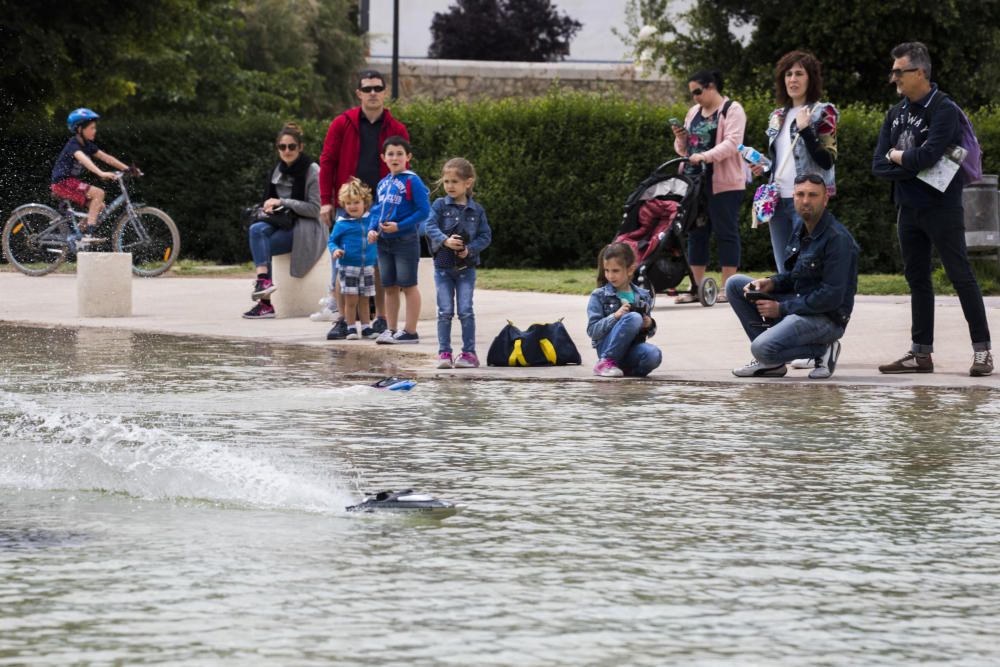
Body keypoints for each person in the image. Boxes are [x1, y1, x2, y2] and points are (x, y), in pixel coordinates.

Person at [872, 42, 993, 376]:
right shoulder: (894, 113)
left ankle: (982, 351)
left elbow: (925, 156)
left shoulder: (944, 109)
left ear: (919, 72)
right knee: (917, 279)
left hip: (942, 207)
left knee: (960, 275)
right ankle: (920, 353)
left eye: (899, 71)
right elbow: (877, 166)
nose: (893, 77)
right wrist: (907, 164)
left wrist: (898, 157)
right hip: (907, 207)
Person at [726, 174, 858, 379]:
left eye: (813, 195)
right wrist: (771, 282)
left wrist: (781, 308)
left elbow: (831, 296)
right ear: (793, 197)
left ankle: (822, 350)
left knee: (760, 348)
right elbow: (795, 275)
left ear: (825, 200)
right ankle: (771, 363)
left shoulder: (838, 239)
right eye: (800, 194)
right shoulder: (802, 228)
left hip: (826, 318)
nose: (806, 201)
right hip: (801, 304)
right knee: (735, 284)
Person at [318, 70, 409, 334]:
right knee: (341, 261)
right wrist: (326, 201)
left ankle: (380, 317)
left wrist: (399, 209)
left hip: (382, 205)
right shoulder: (342, 123)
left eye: (377, 88)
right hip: (349, 202)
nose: (372, 93)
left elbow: (403, 167)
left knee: (378, 261)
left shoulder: (396, 129)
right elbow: (327, 161)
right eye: (367, 89)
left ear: (384, 92)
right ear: (358, 93)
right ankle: (342, 320)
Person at [751, 51, 839, 271]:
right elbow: (783, 160)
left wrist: (806, 130)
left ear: (810, 78)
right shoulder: (777, 115)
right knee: (784, 268)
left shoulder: (823, 112)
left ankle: (806, 305)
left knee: (807, 265)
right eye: (788, 74)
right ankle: (788, 306)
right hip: (777, 200)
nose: (793, 79)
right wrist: (763, 167)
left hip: (807, 199)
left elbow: (828, 159)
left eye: (799, 73)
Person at [671, 69, 748, 303]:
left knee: (726, 233)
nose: (694, 97)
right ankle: (696, 288)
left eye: (698, 91)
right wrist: (681, 137)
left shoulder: (732, 110)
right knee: (696, 233)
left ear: (711, 86)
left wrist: (706, 156)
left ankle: (729, 288)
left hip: (724, 183)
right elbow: (684, 150)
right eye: (692, 93)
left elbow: (733, 143)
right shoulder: (693, 112)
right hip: (694, 182)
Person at [243, 122, 327, 319]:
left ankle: (264, 304)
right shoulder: (277, 170)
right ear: (277, 148)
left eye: (291, 147)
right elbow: (269, 199)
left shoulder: (312, 170)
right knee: (256, 230)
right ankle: (264, 282)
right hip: (282, 222)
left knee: (263, 245)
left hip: (305, 226)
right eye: (282, 147)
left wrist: (283, 201)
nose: (287, 151)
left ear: (300, 147)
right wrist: (270, 206)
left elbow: (315, 209)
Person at [425, 158, 493, 369]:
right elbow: (428, 226)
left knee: (465, 310)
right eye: (446, 181)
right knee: (444, 311)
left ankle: (469, 353)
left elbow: (485, 236)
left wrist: (469, 250)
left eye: (454, 181)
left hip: (466, 269)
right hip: (443, 268)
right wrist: (445, 240)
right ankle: (444, 353)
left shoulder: (477, 211)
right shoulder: (438, 206)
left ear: (468, 183)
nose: (450, 186)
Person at [366, 136, 431, 344]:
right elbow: (377, 211)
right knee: (389, 286)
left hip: (405, 240)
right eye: (391, 154)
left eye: (400, 153)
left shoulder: (413, 180)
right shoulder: (383, 183)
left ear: (408, 157)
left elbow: (423, 211)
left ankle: (410, 331)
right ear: (383, 157)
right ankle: (391, 329)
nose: (395, 158)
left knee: (408, 285)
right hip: (384, 242)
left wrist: (400, 226)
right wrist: (371, 229)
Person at [51, 108, 131, 241]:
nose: (95, 130)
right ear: (80, 129)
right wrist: (100, 172)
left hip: (69, 182)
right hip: (62, 183)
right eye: (92, 128)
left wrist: (127, 169)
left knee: (99, 206)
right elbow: (84, 159)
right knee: (99, 193)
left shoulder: (86, 144)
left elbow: (105, 157)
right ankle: (89, 230)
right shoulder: (73, 144)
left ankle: (76, 235)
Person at [586, 243, 662, 378]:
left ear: (630, 269)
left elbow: (648, 332)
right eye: (607, 270)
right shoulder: (599, 295)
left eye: (615, 271)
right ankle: (605, 363)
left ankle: (627, 372)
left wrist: (649, 324)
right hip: (607, 347)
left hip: (632, 348)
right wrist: (615, 316)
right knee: (634, 318)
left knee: (654, 354)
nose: (610, 276)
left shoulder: (643, 295)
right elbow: (592, 331)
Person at [327, 178, 378, 339]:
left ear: (365, 202)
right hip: (348, 266)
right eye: (348, 203)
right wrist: (335, 250)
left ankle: (366, 327)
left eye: (356, 202)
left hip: (367, 266)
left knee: (365, 299)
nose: (352, 206)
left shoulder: (371, 220)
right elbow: (332, 241)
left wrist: (376, 234)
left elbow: (379, 234)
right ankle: (350, 327)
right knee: (351, 299)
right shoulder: (342, 223)